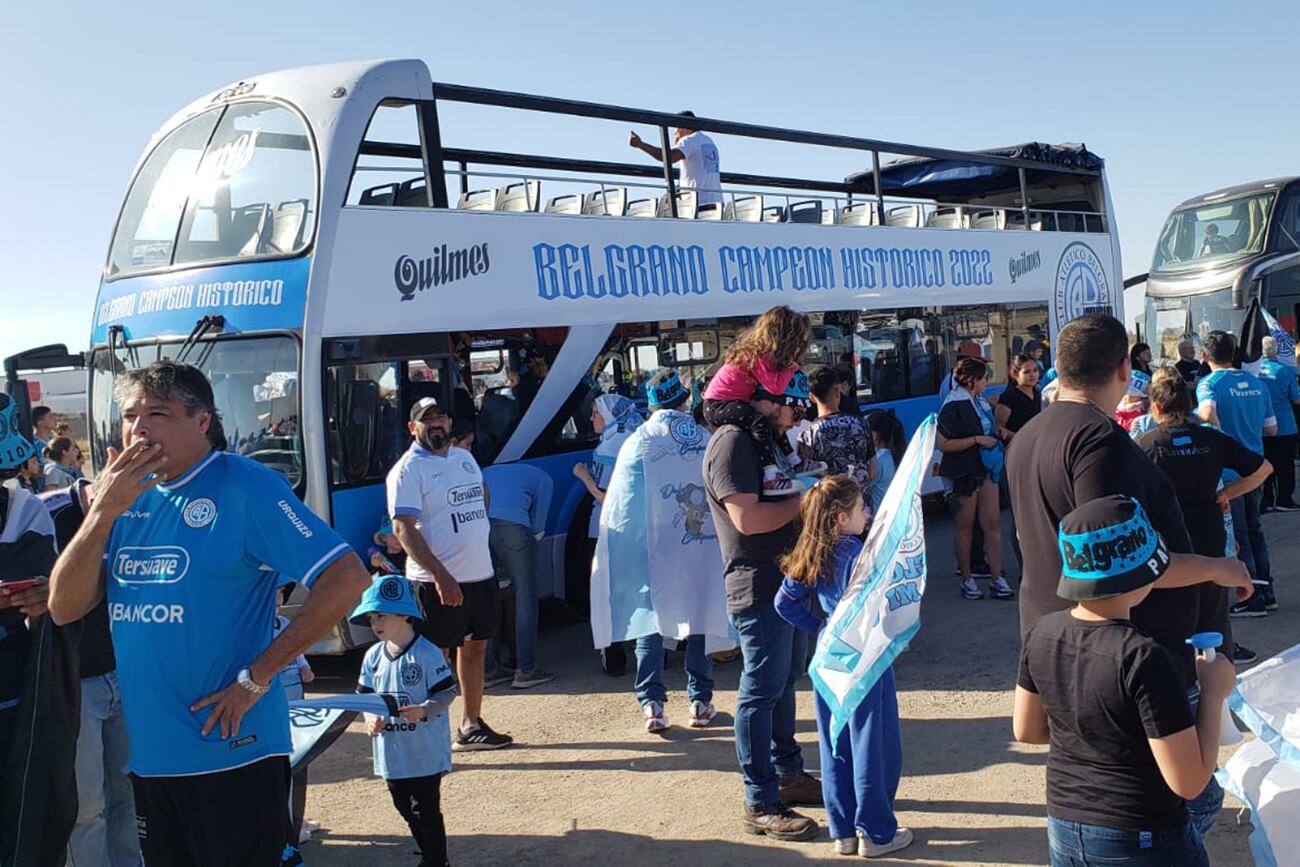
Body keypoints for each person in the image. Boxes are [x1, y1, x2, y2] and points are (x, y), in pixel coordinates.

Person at [47, 361, 372, 867]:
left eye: (158, 413)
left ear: (202, 421)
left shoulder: (246, 486)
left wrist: (258, 677)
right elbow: (64, 607)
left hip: (233, 750)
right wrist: (101, 513)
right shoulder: (124, 497)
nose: (139, 428)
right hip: (152, 756)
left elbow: (348, 577)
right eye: (130, 415)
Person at [1006, 314, 1255, 838]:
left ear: (1057, 367)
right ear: (1124, 368)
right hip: (1121, 647)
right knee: (1187, 795)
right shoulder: (1098, 442)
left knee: (1099, 785)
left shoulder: (1028, 435)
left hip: (1056, 636)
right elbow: (1116, 561)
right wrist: (1218, 566)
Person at [1014, 496, 1237, 867]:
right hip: (1142, 832)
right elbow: (1191, 782)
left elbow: (1026, 730)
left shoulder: (1041, 633)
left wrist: (1097, 736)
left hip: (1066, 823)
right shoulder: (1143, 657)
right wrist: (1213, 693)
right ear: (1142, 574)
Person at [704, 372, 822, 842]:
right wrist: (808, 501)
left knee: (784, 679)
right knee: (761, 686)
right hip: (758, 583)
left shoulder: (764, 437)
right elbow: (747, 518)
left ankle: (787, 772)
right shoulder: (732, 442)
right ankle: (760, 799)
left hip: (785, 580)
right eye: (792, 407)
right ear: (766, 402)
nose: (795, 417)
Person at [775, 476, 913, 858]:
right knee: (873, 743)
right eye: (861, 508)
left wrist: (820, 627)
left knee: (834, 741)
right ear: (840, 517)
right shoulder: (857, 553)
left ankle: (843, 830)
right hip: (865, 656)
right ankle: (876, 832)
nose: (867, 514)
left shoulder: (811, 552)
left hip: (829, 658)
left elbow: (783, 603)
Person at [590, 371, 730, 733]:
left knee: (649, 621)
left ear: (650, 404)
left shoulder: (637, 441)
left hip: (651, 546)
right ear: (684, 400)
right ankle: (700, 702)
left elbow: (621, 504)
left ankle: (653, 704)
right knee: (700, 614)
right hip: (698, 539)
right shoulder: (704, 438)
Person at [388, 396, 513, 751]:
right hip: (434, 583)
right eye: (428, 419)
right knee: (434, 656)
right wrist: (442, 576)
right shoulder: (407, 470)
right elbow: (403, 529)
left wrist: (475, 534)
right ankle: (428, 733)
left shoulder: (463, 457)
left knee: (475, 648)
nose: (437, 423)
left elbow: (481, 494)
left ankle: (471, 725)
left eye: (441, 416)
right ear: (413, 428)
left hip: (479, 575)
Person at [1136, 368, 1271, 665]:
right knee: (1212, 608)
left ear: (1156, 407)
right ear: (1188, 405)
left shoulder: (1145, 445)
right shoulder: (1212, 438)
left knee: (1169, 610)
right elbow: (1263, 469)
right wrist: (1228, 493)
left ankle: (1177, 674)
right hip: (1209, 532)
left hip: (1167, 540)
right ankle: (1216, 671)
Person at [41, 478, 143, 867]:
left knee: (130, 796)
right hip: (74, 684)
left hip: (127, 676)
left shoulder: (142, 512)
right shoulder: (48, 513)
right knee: (86, 807)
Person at [0, 392, 80, 867]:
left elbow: (46, 596)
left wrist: (42, 598)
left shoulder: (22, 510)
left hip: (14, 702)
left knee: (21, 825)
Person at [352, 575, 458, 867]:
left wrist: (425, 709)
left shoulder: (427, 653)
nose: (375, 624)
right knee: (403, 806)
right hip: (392, 752)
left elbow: (448, 691)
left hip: (424, 750)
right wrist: (370, 716)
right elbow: (364, 697)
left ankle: (437, 860)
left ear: (405, 616)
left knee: (426, 808)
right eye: (372, 617)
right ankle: (427, 852)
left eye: (381, 616)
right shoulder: (373, 656)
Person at [1195, 330, 1277, 616]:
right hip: (1257, 467)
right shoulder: (1257, 383)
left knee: (1239, 535)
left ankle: (1250, 597)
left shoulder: (1209, 384)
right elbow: (1272, 429)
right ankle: (1266, 591)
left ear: (1204, 356)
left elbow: (1205, 415)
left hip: (1229, 474)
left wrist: (1211, 430)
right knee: (1255, 530)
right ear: (1234, 353)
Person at [703, 306, 814, 493]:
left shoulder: (758, 354)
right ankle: (771, 475)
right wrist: (790, 368)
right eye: (796, 344)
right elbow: (775, 387)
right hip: (717, 405)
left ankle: (793, 461)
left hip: (728, 401)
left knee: (771, 422)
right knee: (760, 422)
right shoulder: (757, 356)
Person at [574, 393, 644, 675]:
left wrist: (583, 476)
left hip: (608, 527)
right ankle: (653, 653)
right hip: (638, 526)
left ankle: (613, 659)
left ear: (609, 415)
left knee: (605, 591)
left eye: (595, 413)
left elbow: (606, 496)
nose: (591, 419)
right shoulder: (637, 437)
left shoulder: (611, 445)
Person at [938, 357, 1013, 601]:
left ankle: (996, 577)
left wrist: (993, 433)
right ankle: (967, 578)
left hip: (986, 468)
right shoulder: (953, 405)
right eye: (983, 378)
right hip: (963, 471)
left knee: (991, 522)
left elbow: (986, 426)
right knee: (965, 526)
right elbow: (944, 444)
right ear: (971, 381)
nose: (987, 382)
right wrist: (977, 440)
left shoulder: (979, 399)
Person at [481, 460, 555, 689]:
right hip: (514, 527)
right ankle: (525, 669)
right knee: (526, 595)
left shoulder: (483, 471)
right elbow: (539, 524)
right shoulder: (543, 477)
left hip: (480, 528)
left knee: (487, 595)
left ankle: (488, 669)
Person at [274, 582, 317, 849]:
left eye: (280, 592)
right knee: (279, 765)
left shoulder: (285, 624)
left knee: (298, 758)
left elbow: (297, 651)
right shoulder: (251, 626)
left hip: (295, 701)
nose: (277, 598)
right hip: (271, 705)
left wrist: (304, 667)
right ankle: (285, 823)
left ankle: (295, 818)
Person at [797, 365, 874, 501]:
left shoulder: (807, 436)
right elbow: (873, 471)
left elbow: (806, 482)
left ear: (812, 398)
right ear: (837, 391)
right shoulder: (861, 424)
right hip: (862, 508)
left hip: (829, 512)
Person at [628, 110, 722, 206]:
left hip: (698, 205)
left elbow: (668, 157)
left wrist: (641, 145)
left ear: (684, 127)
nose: (674, 132)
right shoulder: (708, 141)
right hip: (716, 203)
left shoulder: (689, 140)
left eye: (676, 127)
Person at [1257, 335, 1300, 511]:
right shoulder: (1285, 371)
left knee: (1265, 463)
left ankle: (1267, 499)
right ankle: (1284, 499)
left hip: (1261, 425)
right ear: (1277, 350)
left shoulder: (1254, 372)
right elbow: (1296, 399)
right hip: (1284, 424)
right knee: (1285, 464)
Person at [995, 354, 1042, 444]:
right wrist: (1020, 439)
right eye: (1027, 372)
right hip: (1016, 448)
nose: (1033, 375)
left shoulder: (1037, 394)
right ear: (1014, 373)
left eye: (1035, 370)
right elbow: (999, 430)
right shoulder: (1008, 397)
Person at [865, 411, 905, 515]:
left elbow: (862, 485)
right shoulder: (891, 455)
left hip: (880, 517)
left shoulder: (878, 461)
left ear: (874, 435)